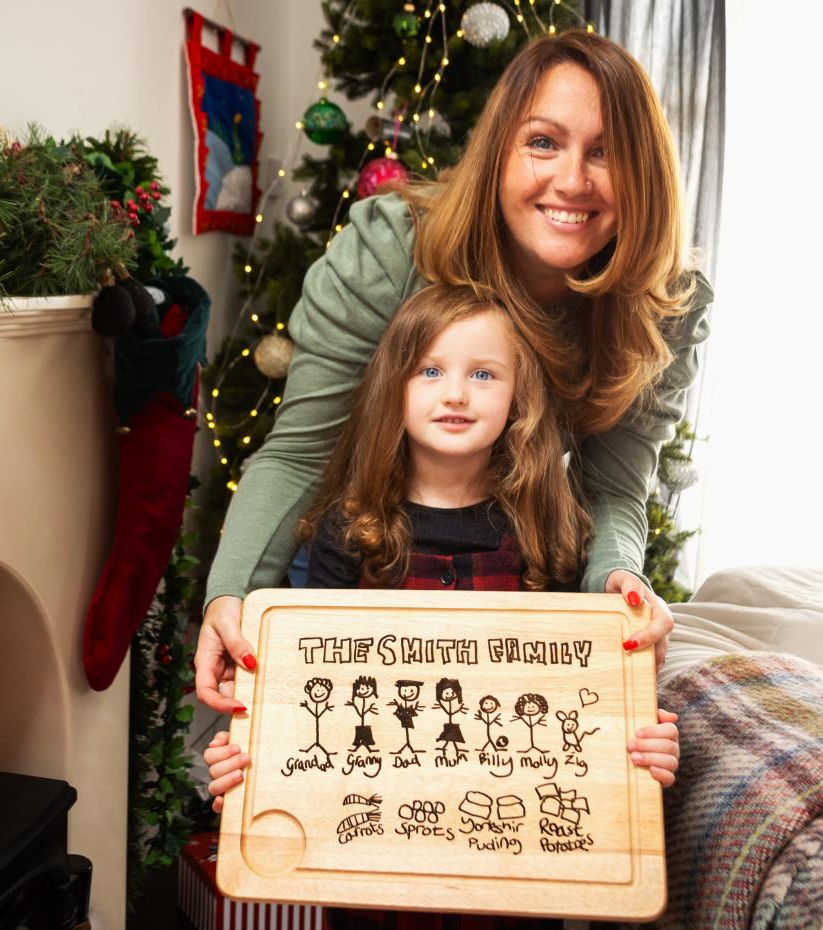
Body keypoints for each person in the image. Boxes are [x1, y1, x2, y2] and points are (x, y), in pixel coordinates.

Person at [196, 28, 710, 724]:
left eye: (606, 151)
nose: (573, 180)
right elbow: (300, 452)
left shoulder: (663, 304)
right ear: (500, 148)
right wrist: (230, 596)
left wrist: (620, 579)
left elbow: (614, 489)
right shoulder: (389, 253)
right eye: (543, 142)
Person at [205, 287, 681, 929]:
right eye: (429, 370)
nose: (455, 394)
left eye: (483, 374)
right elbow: (300, 699)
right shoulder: (347, 533)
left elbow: (586, 706)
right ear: (393, 388)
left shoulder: (556, 535)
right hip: (369, 867)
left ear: (519, 396)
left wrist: (640, 748)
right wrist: (250, 755)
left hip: (516, 871)